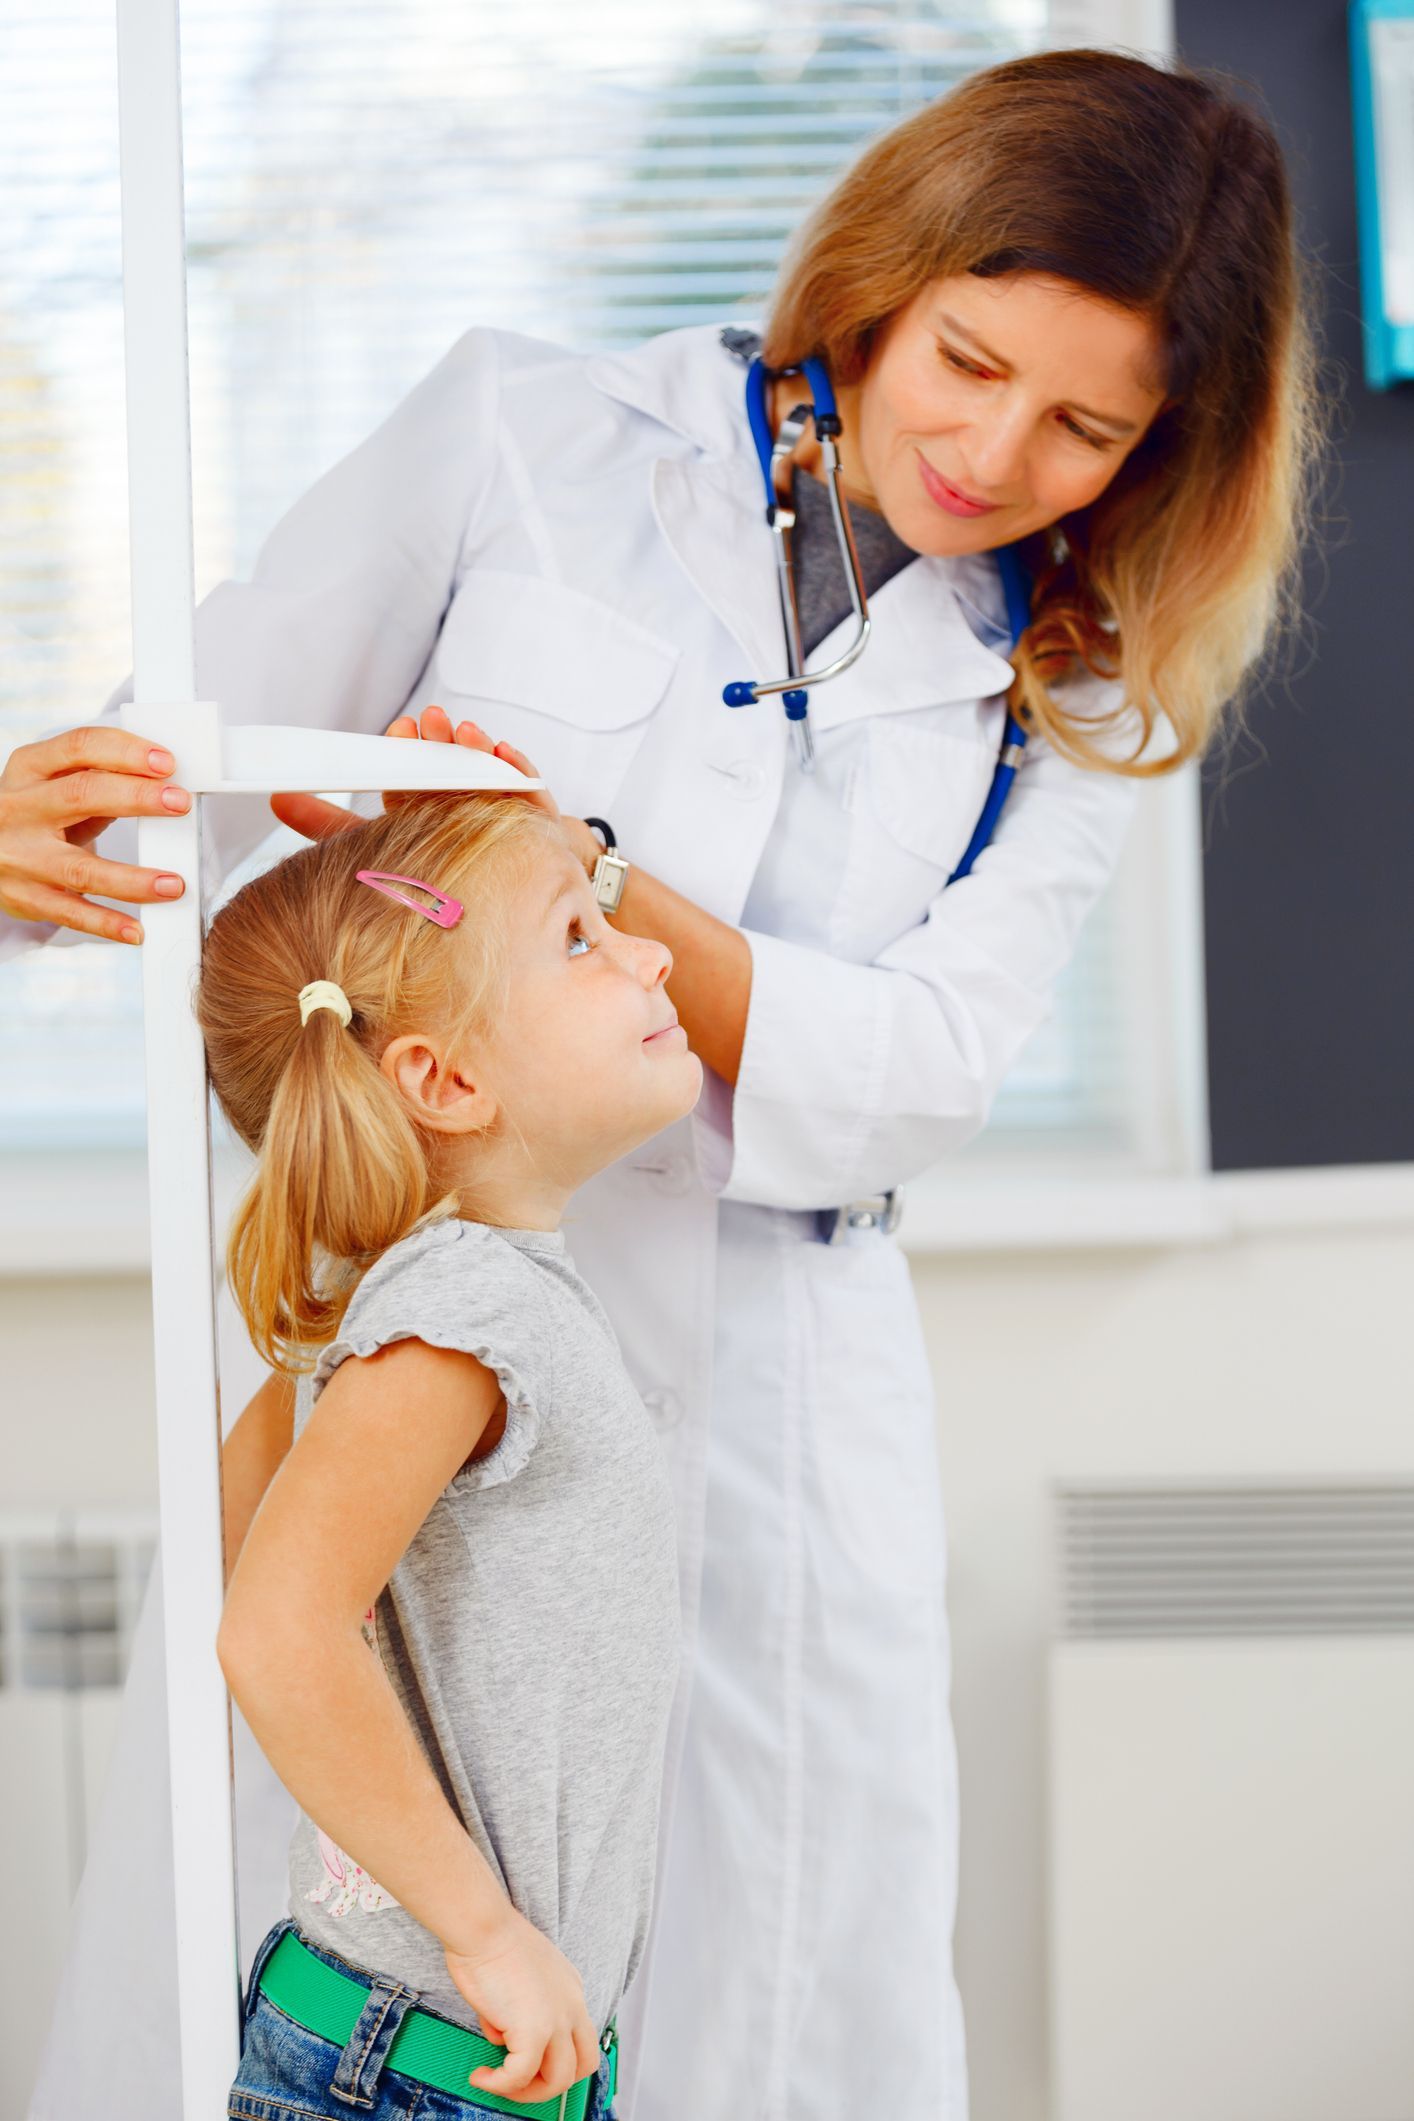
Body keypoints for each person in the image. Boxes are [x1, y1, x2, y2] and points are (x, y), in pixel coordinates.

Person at [5, 50, 1320, 2121]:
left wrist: (587, 870)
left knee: (768, 2000)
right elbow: (205, 764)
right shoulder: (524, 433)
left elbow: (916, 1067)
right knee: (338, 1937)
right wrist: (31, 832)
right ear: (878, 283)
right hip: (432, 1302)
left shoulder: (1070, 674)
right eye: (965, 362)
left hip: (774, 1415)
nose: (991, 451)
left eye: (1088, 424)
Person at [204, 788, 701, 2120]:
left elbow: (249, 1530)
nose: (648, 951)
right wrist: (483, 1931)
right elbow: (273, 1627)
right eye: (582, 938)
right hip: (423, 2065)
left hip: (442, 2062)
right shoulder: (460, 1314)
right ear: (445, 1079)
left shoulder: (442, 1296)